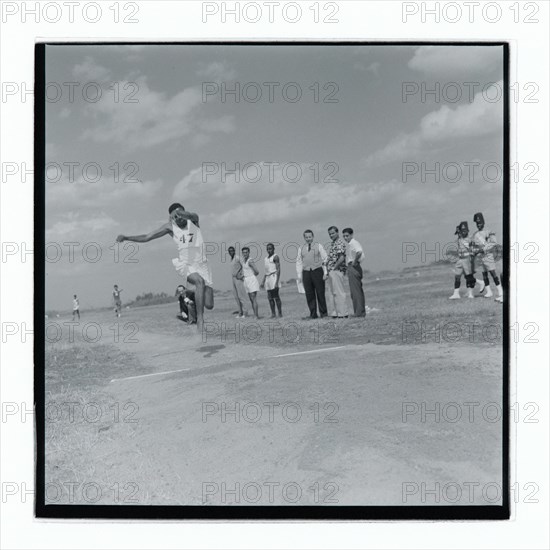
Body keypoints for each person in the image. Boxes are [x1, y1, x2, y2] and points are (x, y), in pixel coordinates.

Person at [116, 203, 213, 333]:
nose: (179, 219)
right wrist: (127, 238)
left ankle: (192, 293)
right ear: (171, 218)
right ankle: (200, 321)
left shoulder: (194, 220)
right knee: (199, 282)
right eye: (175, 217)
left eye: (180, 215)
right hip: (186, 264)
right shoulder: (170, 227)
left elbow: (190, 215)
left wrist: (181, 214)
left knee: (209, 305)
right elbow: (147, 237)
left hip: (202, 264)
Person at [471, 212, 504, 303]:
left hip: (488, 256)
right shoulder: (475, 235)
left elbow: (493, 243)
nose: (479, 225)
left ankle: (500, 291)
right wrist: (475, 251)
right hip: (480, 257)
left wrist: (484, 249)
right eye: (477, 224)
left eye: (480, 223)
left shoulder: (489, 232)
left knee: (493, 274)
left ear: (483, 223)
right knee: (484, 275)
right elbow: (473, 246)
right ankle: (488, 291)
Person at [296, 230, 328, 319]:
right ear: (304, 238)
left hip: (317, 271)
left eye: (310, 237)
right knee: (309, 294)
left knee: (320, 293)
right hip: (306, 272)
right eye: (306, 237)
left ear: (313, 237)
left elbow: (325, 259)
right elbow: (298, 262)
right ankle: (313, 314)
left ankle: (324, 313)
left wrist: (325, 272)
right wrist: (299, 275)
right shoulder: (300, 248)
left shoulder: (319, 246)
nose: (308, 239)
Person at [325, 226, 349, 318]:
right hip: (331, 271)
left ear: (337, 232)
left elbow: (341, 257)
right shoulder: (333, 243)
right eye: (330, 234)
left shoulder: (339, 243)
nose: (331, 235)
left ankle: (343, 313)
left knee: (339, 292)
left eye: (333, 233)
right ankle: (335, 313)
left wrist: (334, 268)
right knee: (332, 293)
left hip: (337, 270)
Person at [449, 221, 477, 299]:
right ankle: (456, 294)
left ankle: (470, 293)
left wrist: (472, 257)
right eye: (462, 231)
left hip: (467, 260)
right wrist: (458, 231)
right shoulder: (460, 239)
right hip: (460, 260)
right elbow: (458, 239)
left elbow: (473, 249)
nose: (463, 232)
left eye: (465, 231)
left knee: (469, 277)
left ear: (467, 231)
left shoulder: (470, 239)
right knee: (457, 276)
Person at [342, 227, 366, 317]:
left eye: (347, 236)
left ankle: (359, 313)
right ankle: (360, 311)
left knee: (355, 291)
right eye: (344, 236)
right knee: (356, 291)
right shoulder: (350, 244)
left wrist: (355, 261)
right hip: (352, 267)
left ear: (351, 235)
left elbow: (359, 252)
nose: (345, 238)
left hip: (354, 267)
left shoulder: (353, 243)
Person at [260, 243, 282, 318]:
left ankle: (280, 313)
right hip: (268, 278)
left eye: (270, 248)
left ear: (273, 249)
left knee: (276, 296)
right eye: (268, 249)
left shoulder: (275, 257)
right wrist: (263, 281)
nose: (269, 250)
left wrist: (276, 282)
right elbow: (266, 272)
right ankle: (273, 313)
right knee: (269, 297)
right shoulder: (265, 259)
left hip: (274, 276)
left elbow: (278, 269)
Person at [228, 246, 248, 318]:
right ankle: (240, 312)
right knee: (236, 296)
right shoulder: (231, 259)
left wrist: (242, 275)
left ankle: (245, 312)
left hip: (238, 278)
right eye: (230, 251)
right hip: (233, 278)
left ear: (234, 251)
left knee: (241, 296)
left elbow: (244, 266)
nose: (231, 252)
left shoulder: (237, 258)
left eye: (232, 251)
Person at [241, 246, 260, 319]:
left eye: (246, 252)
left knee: (253, 298)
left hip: (251, 280)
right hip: (246, 280)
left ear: (249, 252)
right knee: (251, 299)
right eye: (243, 252)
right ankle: (255, 314)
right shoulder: (243, 261)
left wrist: (251, 276)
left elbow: (257, 271)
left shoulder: (250, 260)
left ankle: (256, 315)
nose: (245, 254)